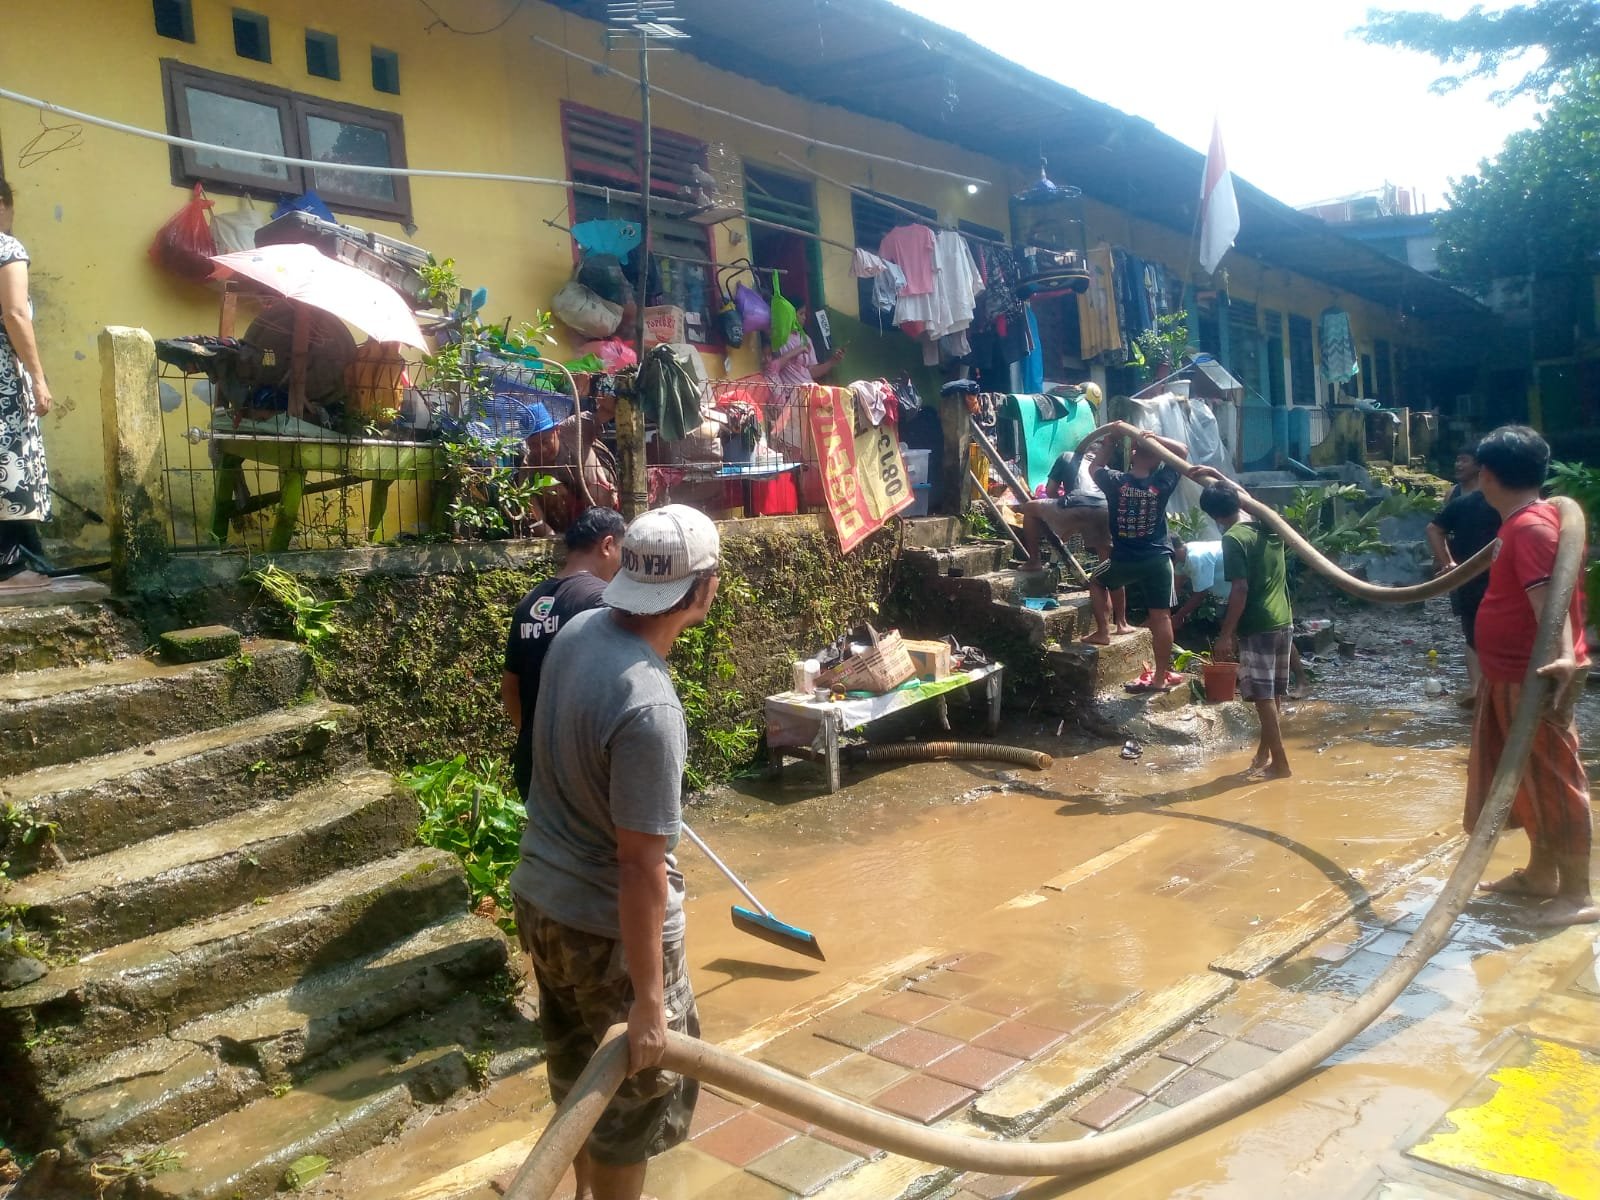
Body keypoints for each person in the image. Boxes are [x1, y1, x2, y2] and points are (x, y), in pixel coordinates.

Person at [510, 504, 720, 1198]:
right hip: (607, 935)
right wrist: (652, 1003)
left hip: (543, 904)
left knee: (580, 1089)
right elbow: (639, 866)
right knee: (630, 1108)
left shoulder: (575, 632)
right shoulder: (650, 705)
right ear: (701, 591)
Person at [1466, 425, 1596, 927]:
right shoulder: (1521, 524)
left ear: (1488, 476)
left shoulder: (1532, 529)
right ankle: (1542, 876)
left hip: (1534, 676)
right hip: (1510, 676)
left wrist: (1564, 657)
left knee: (1555, 783)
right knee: (1525, 782)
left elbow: (1552, 602)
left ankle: (1578, 894)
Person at [502, 506, 626, 801]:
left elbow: (509, 689)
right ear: (608, 545)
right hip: (580, 771)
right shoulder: (603, 600)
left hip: (533, 764)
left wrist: (539, 736)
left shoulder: (529, 602)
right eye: (624, 550)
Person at [1077, 421, 1189, 691]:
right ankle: (1160, 678)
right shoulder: (1162, 482)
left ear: (1134, 454)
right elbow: (1183, 452)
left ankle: (1104, 631)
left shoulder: (1117, 482)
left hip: (1125, 560)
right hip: (1159, 560)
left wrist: (1110, 442)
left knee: (1097, 579)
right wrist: (1156, 438)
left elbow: (1094, 468)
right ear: (1157, 459)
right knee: (1161, 616)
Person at [1201, 483, 1295, 779]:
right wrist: (1216, 478)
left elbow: (1240, 588)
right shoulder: (1270, 527)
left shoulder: (1233, 538)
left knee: (1263, 697)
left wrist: (1226, 634)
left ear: (1214, 516)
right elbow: (1254, 504)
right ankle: (1265, 754)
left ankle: (1281, 764)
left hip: (1258, 624)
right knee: (1275, 692)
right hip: (1284, 620)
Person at [0, 178, 55, 591]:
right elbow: (15, 314)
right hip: (3, 377)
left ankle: (26, 559)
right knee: (11, 461)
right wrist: (38, 378)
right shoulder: (7, 247)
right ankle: (11, 568)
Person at [1017, 446, 1126, 628]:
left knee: (1029, 508)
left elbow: (1051, 491)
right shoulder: (1103, 467)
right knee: (1108, 570)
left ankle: (1034, 560)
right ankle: (1121, 623)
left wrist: (1061, 519)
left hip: (1075, 503)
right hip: (1104, 510)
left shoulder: (1066, 456)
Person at [1427, 450, 1501, 707]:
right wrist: (1446, 561)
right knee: (1472, 634)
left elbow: (1435, 528)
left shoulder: (1506, 504)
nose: (1458, 464)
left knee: (1477, 633)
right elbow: (1438, 528)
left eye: (1464, 460)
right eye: (1456, 459)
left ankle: (1488, 689)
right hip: (1467, 576)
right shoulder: (1457, 497)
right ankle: (1479, 688)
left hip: (1482, 577)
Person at [762, 303, 844, 389]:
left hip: (809, 388)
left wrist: (833, 361)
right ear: (790, 314)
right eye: (801, 314)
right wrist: (797, 350)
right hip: (791, 393)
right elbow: (772, 367)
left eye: (805, 314)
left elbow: (812, 372)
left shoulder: (806, 339)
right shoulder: (778, 338)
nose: (804, 317)